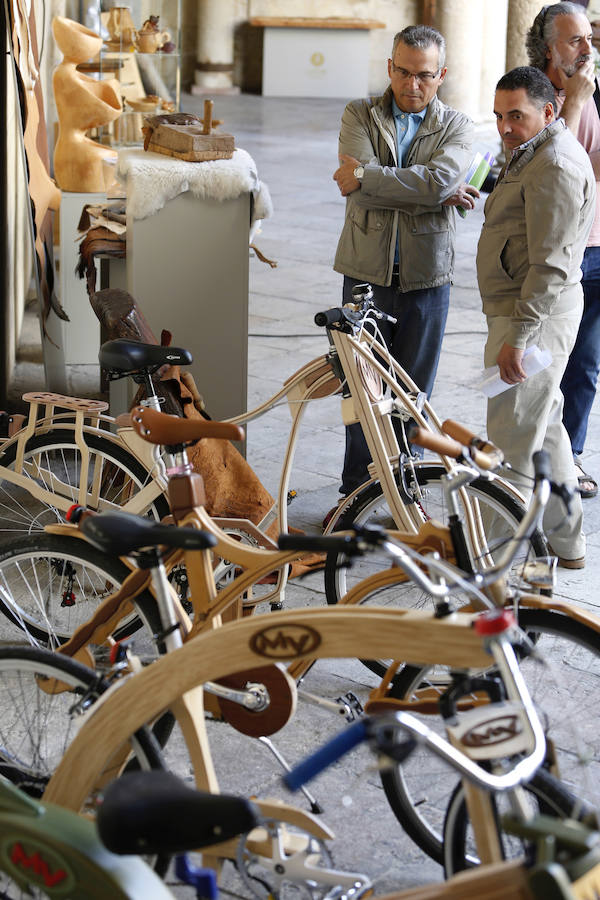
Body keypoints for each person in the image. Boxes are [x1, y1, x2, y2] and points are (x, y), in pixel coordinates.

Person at [330, 24, 475, 508]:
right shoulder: (359, 113)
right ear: (390, 68)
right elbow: (433, 186)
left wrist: (369, 178)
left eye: (425, 76)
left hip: (427, 277)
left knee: (412, 394)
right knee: (362, 392)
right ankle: (356, 495)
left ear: (442, 76)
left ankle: (403, 494)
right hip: (364, 272)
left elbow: (365, 180)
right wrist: (434, 192)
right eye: (404, 73)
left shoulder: (457, 125)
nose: (413, 85)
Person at [477, 66, 595, 568]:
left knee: (510, 438)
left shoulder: (556, 166)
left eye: (516, 116)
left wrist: (520, 337)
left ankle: (493, 555)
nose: (505, 127)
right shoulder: (530, 150)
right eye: (500, 116)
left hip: (532, 317)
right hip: (522, 309)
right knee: (543, 428)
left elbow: (552, 264)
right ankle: (568, 543)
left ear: (549, 111)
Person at [527, 2, 600, 498]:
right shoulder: (530, 95)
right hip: (559, 251)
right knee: (544, 363)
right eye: (576, 40)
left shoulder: (594, 89)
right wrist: (572, 100)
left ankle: (569, 457)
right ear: (549, 47)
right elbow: (551, 162)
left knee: (588, 364)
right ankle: (534, 457)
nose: (587, 48)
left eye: (590, 38)